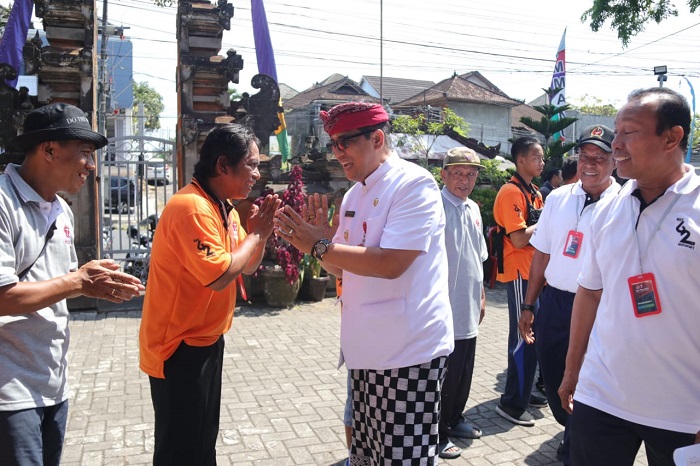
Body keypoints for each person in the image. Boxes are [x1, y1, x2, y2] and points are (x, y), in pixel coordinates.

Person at [274, 102, 454, 464]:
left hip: (407, 351)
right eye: (333, 144)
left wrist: (321, 245)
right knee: (367, 453)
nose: (337, 152)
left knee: (403, 456)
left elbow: (391, 263)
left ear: (377, 138)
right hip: (366, 348)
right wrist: (322, 248)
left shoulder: (414, 184)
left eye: (345, 142)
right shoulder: (355, 194)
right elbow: (343, 269)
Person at [559, 87, 700, 466]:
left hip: (683, 409)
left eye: (629, 132)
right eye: (616, 131)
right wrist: (573, 371)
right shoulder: (610, 207)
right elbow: (589, 293)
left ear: (672, 138)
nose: (615, 143)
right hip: (601, 395)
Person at [0, 102, 144, 465]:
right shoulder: (3, 203)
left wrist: (89, 284)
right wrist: (78, 281)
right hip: (9, 391)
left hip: (52, 383)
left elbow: (61, 286)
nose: (92, 166)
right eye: (84, 153)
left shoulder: (62, 211)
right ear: (48, 149)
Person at [139, 123, 280, 465]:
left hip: (205, 341)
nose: (257, 174)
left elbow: (244, 265)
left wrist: (259, 236)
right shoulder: (192, 207)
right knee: (181, 449)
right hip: (178, 348)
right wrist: (256, 235)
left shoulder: (223, 207)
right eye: (252, 164)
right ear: (222, 165)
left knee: (201, 444)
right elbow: (219, 275)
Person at [518, 124, 620, 465]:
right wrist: (528, 304)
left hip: (599, 307)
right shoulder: (559, 198)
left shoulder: (623, 204)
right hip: (555, 304)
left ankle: (577, 441)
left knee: (588, 379)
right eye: (585, 156)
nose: (590, 164)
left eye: (600, 158)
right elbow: (541, 255)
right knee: (553, 374)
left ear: (614, 161)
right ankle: (570, 426)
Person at [437, 147, 488, 460]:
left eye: (470, 174)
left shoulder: (474, 209)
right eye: (457, 173)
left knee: (464, 370)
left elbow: (478, 256)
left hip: (469, 303)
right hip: (443, 307)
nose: (464, 180)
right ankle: (438, 433)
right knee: (444, 375)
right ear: (443, 174)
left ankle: (456, 419)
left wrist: (482, 294)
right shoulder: (435, 207)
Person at [492, 136, 547, 427]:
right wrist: (548, 219)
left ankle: (525, 393)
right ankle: (512, 404)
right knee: (522, 340)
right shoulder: (511, 192)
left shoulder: (534, 191)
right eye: (537, 157)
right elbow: (519, 237)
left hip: (533, 273)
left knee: (533, 337)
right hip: (517, 274)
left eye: (542, 157)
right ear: (521, 160)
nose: (542, 162)